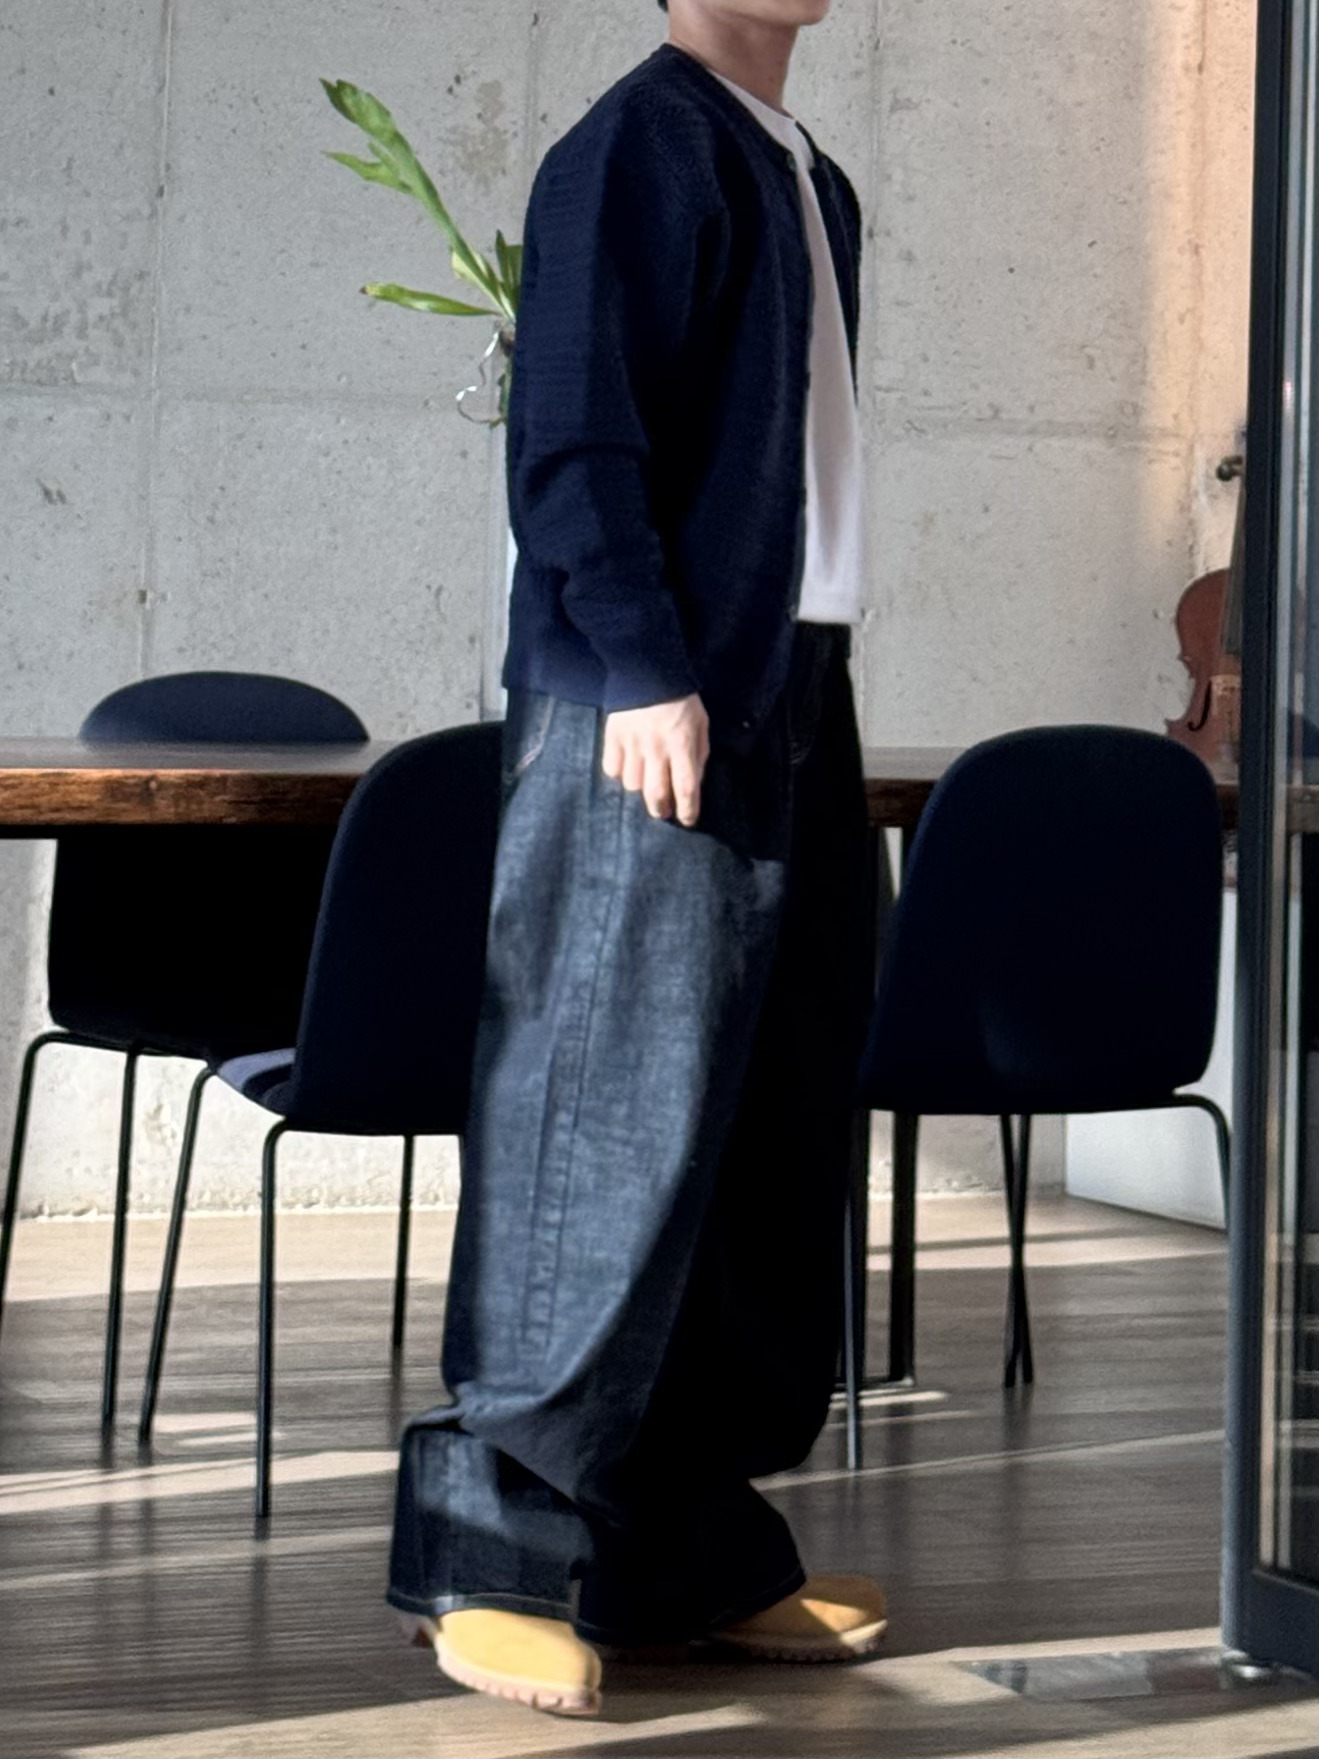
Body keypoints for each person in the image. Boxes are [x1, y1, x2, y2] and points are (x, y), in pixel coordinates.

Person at [386, 0, 886, 1716]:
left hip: (790, 678)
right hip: (651, 689)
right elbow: (575, 438)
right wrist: (638, 666)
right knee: (596, 1120)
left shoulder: (808, 174)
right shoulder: (636, 147)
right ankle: (491, 1555)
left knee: (761, 1126)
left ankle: (681, 1548)